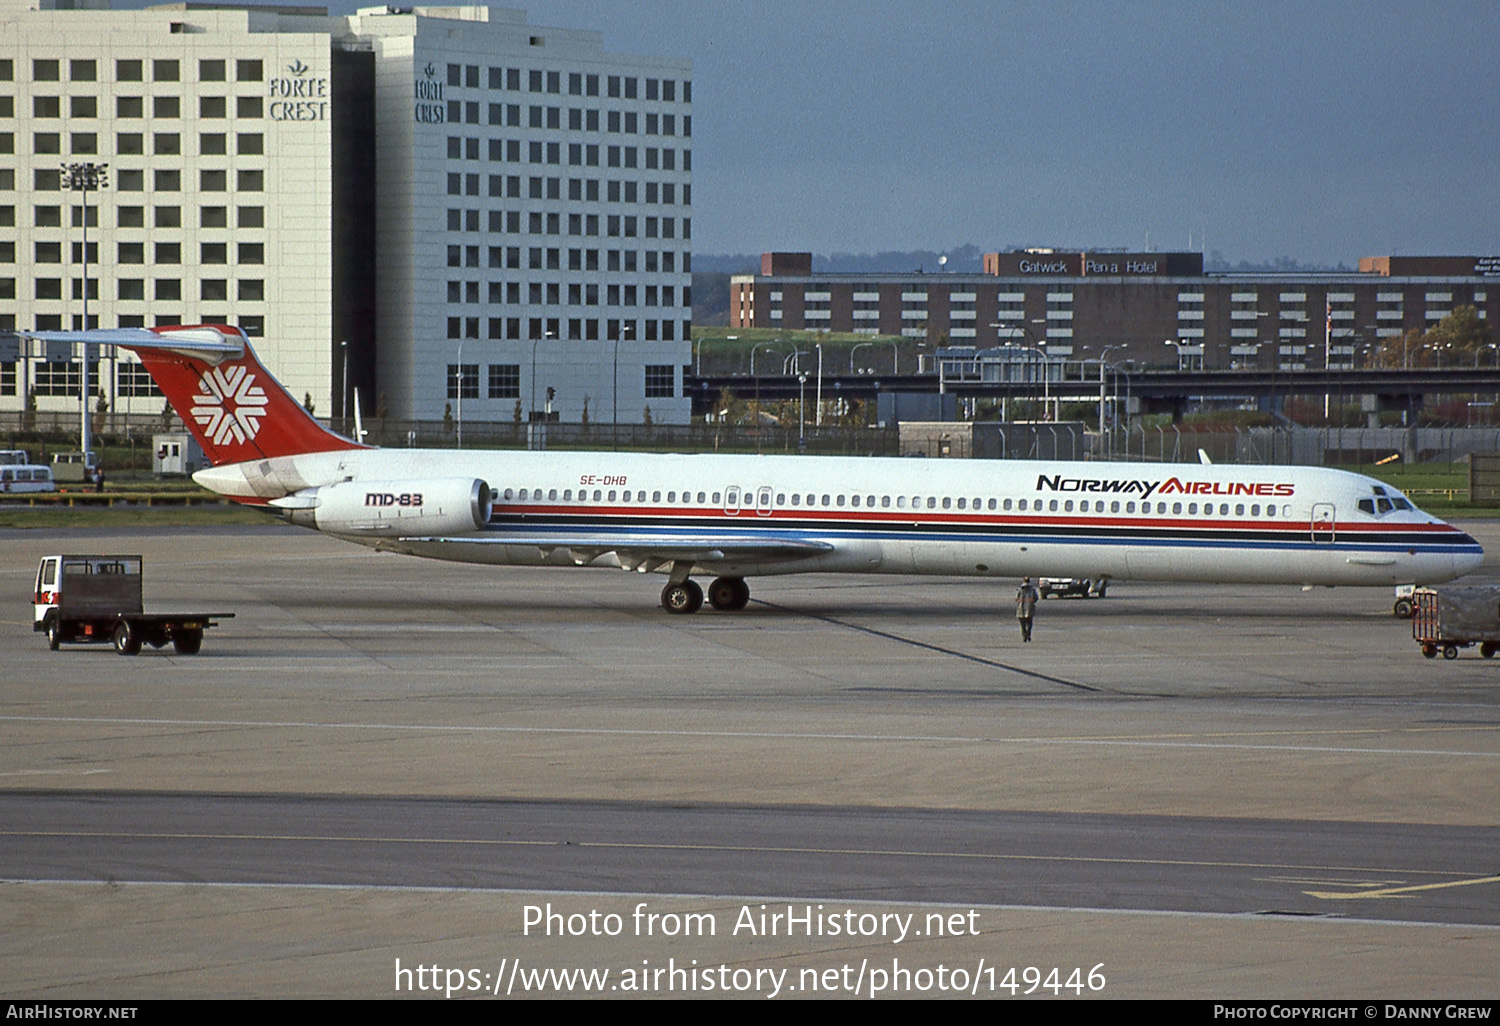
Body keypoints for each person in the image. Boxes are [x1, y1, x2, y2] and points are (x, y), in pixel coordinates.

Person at [1015, 577, 1040, 642]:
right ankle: (1028, 634)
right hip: (1030, 609)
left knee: (1022, 625)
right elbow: (1036, 598)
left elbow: (1016, 598)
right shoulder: (1032, 590)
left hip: (1021, 609)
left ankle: (1024, 637)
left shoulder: (1019, 589)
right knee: (1029, 624)